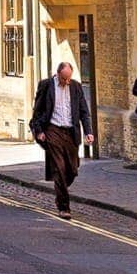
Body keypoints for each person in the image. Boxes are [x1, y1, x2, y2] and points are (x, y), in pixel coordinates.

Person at [30, 60, 94, 220]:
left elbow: (84, 111)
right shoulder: (46, 85)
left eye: (69, 78)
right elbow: (37, 111)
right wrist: (39, 131)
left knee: (71, 170)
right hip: (53, 130)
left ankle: (61, 190)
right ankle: (64, 207)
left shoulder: (76, 86)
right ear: (58, 74)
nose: (66, 82)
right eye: (64, 78)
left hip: (71, 132)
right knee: (59, 168)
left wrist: (88, 132)